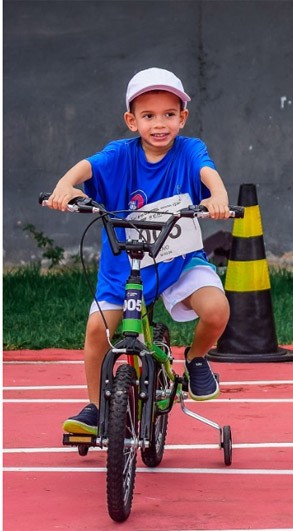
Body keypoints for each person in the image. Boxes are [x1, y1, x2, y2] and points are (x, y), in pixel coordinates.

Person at [48, 67, 232, 435]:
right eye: (148, 116)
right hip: (125, 262)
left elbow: (207, 173)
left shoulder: (190, 150)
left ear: (183, 117)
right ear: (132, 121)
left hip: (178, 260)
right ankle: (96, 408)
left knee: (216, 310)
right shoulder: (120, 154)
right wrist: (64, 186)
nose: (159, 124)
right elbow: (87, 167)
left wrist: (218, 197)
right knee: (97, 331)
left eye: (168, 114)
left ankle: (196, 358)